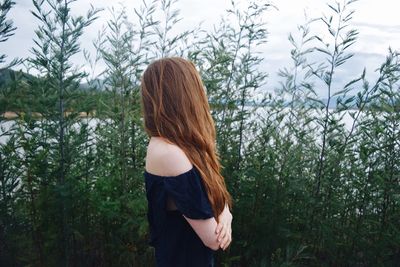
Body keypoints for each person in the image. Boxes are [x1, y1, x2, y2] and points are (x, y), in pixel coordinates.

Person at [140, 56, 233, 267]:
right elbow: (214, 240)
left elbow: (212, 196)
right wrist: (225, 216)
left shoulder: (168, 144)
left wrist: (225, 212)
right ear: (185, 96)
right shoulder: (170, 154)